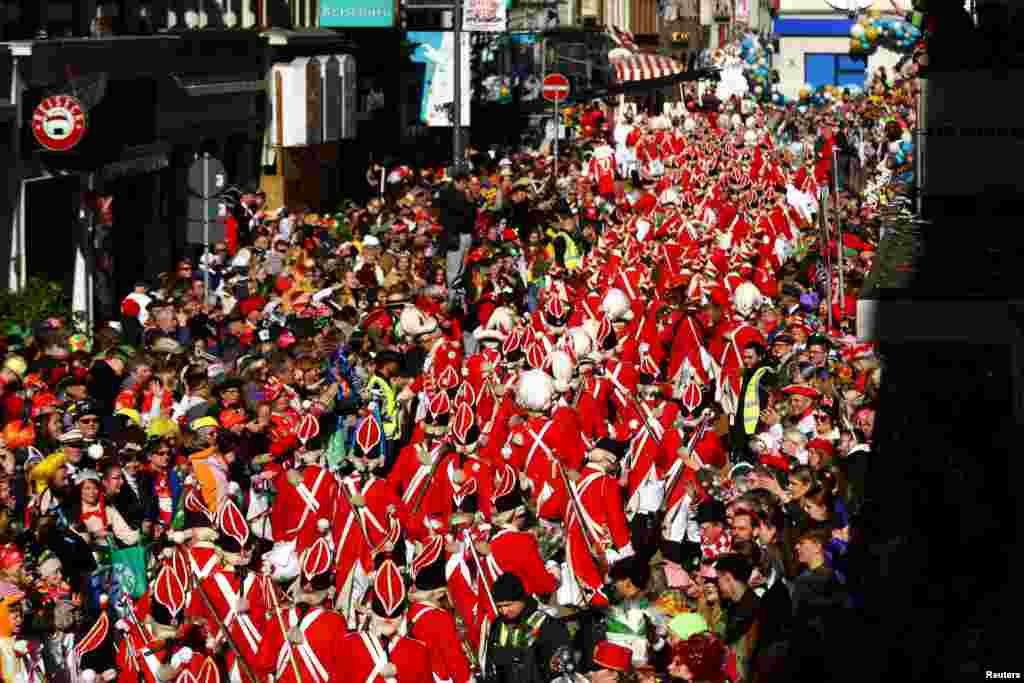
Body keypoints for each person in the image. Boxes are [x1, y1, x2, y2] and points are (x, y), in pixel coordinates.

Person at [485, 572, 571, 683]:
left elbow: (561, 667)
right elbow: (491, 663)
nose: (504, 611)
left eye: (508, 605)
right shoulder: (497, 626)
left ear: (521, 599)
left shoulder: (546, 624)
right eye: (500, 607)